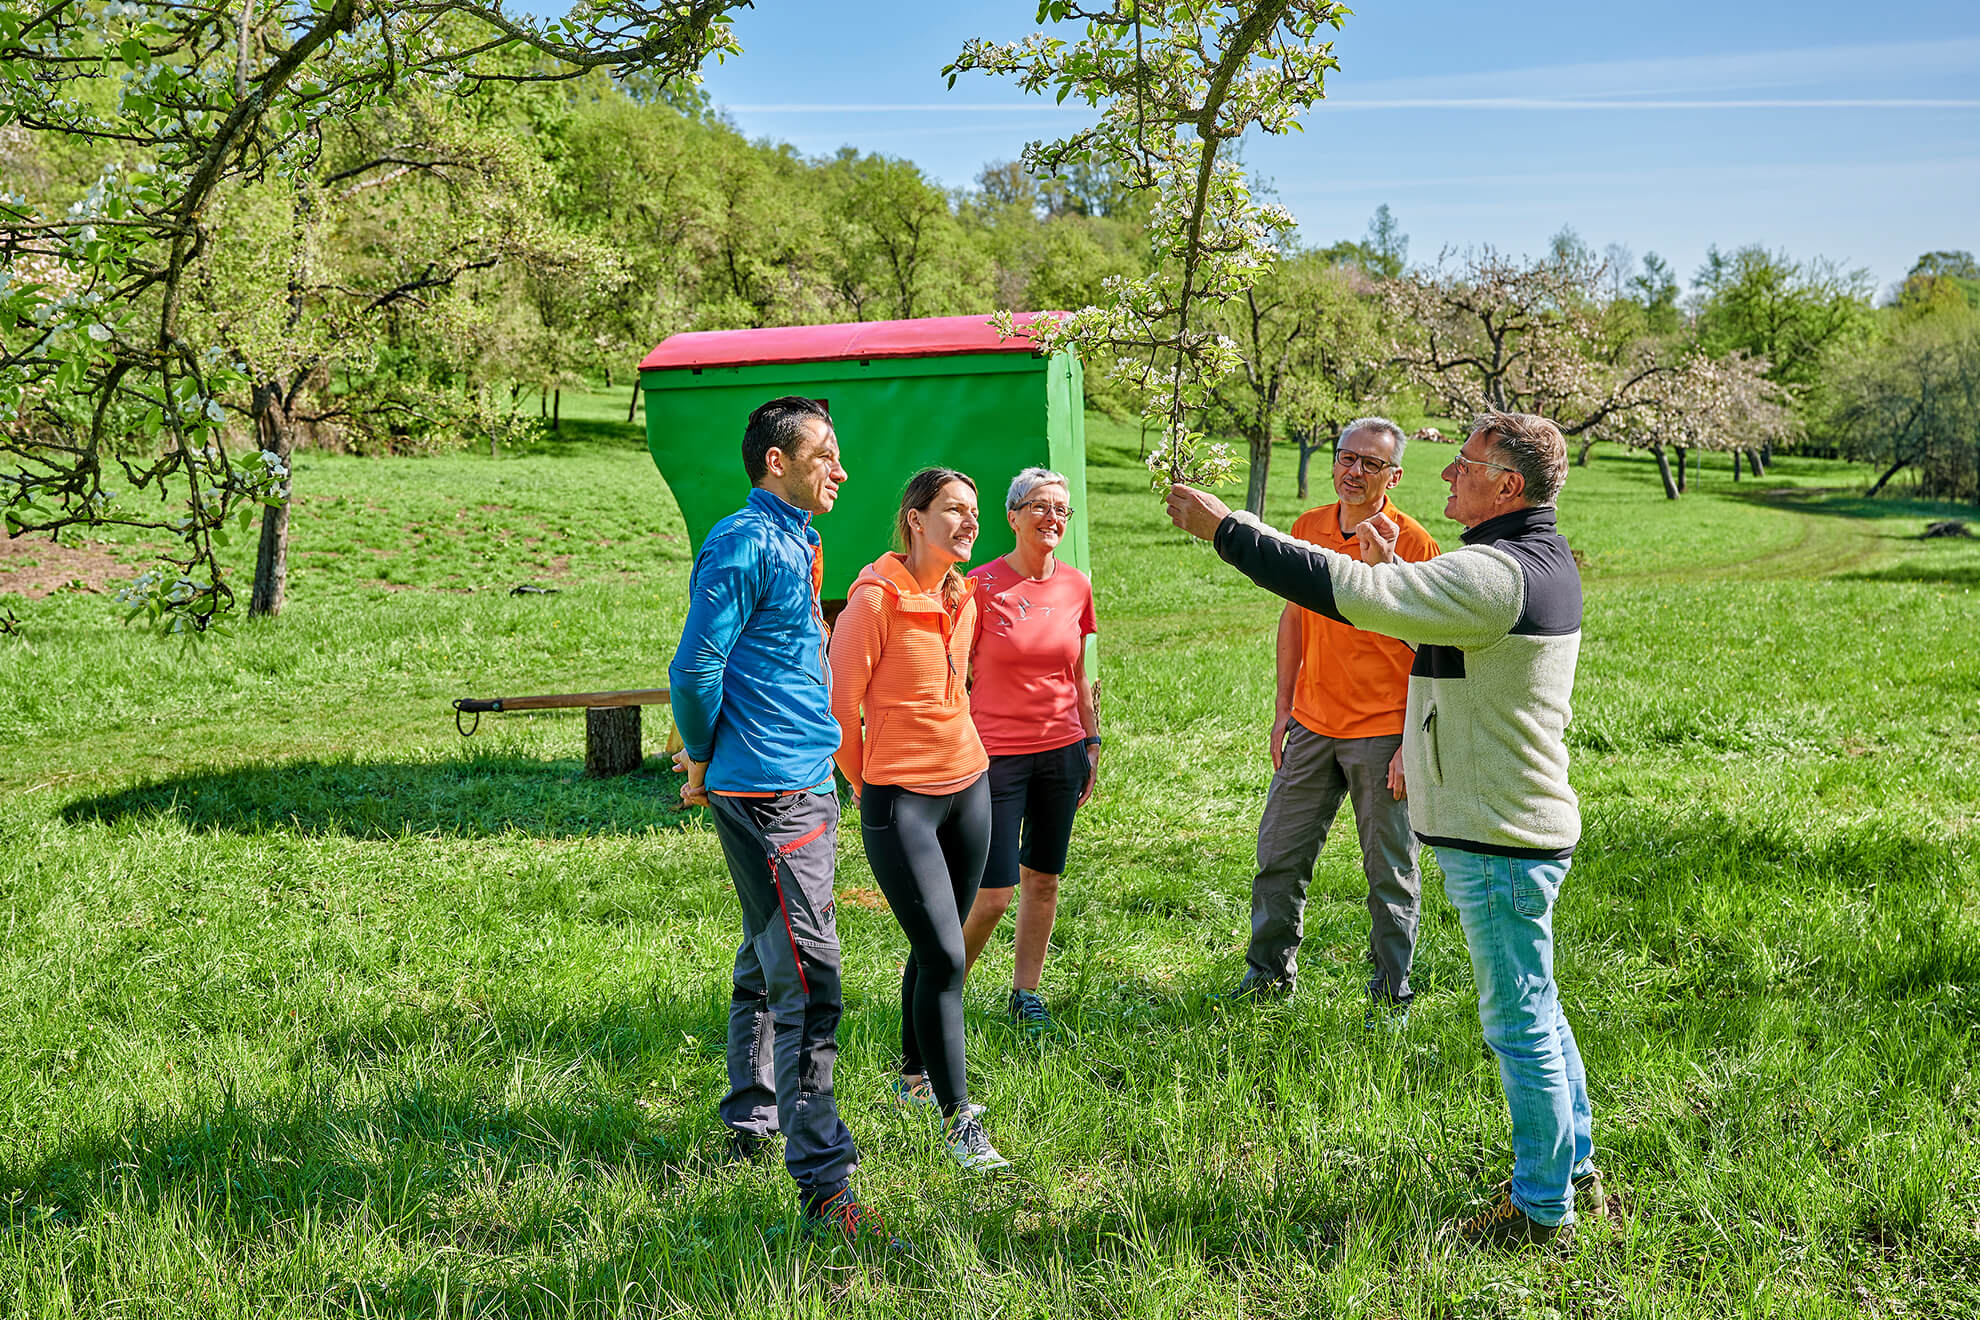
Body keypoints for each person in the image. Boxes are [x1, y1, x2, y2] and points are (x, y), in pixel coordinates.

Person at [1165, 409, 1605, 1250]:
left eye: (1465, 465)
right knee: (1538, 1008)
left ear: (1507, 485)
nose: (1449, 475)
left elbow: (1356, 597)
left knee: (1517, 1023)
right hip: (1514, 827)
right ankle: (1573, 1163)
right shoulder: (1527, 561)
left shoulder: (1499, 572)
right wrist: (1399, 569)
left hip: (1502, 837)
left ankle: (1544, 1204)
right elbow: (1426, 620)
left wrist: (1227, 528)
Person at [666, 396, 894, 1248]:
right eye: (824, 455)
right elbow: (695, 667)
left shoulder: (794, 537)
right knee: (812, 976)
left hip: (797, 779)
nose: (839, 469)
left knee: (771, 956)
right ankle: (826, 1185)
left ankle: (751, 1120)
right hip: (772, 792)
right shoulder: (745, 540)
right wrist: (699, 756)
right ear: (776, 462)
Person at [829, 467, 1010, 1173]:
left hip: (971, 789)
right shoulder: (872, 600)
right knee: (945, 954)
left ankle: (912, 1076)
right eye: (953, 511)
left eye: (973, 511)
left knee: (938, 945)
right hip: (900, 801)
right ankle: (960, 1121)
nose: (968, 523)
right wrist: (870, 784)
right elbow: (842, 710)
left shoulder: (960, 596)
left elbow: (956, 690)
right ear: (914, 519)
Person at [1229, 419, 1439, 1024]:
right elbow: (1294, 620)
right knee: (1279, 855)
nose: (1354, 471)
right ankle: (1267, 977)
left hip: (1382, 732)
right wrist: (1282, 710)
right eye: (1347, 458)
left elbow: (1433, 650)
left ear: (1394, 475)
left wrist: (1410, 743)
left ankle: (1390, 994)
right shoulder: (1308, 529)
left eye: (1371, 464)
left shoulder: (1416, 544)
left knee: (1389, 870)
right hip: (1313, 725)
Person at [959, 467, 1101, 1035]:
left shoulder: (1076, 585)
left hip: (1061, 751)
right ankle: (943, 990)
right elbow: (953, 673)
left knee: (1043, 880)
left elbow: (1075, 671)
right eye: (1039, 506)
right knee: (992, 894)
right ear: (1013, 516)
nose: (1052, 518)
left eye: (1061, 509)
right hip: (995, 757)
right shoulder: (978, 585)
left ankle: (1026, 993)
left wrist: (1091, 740)